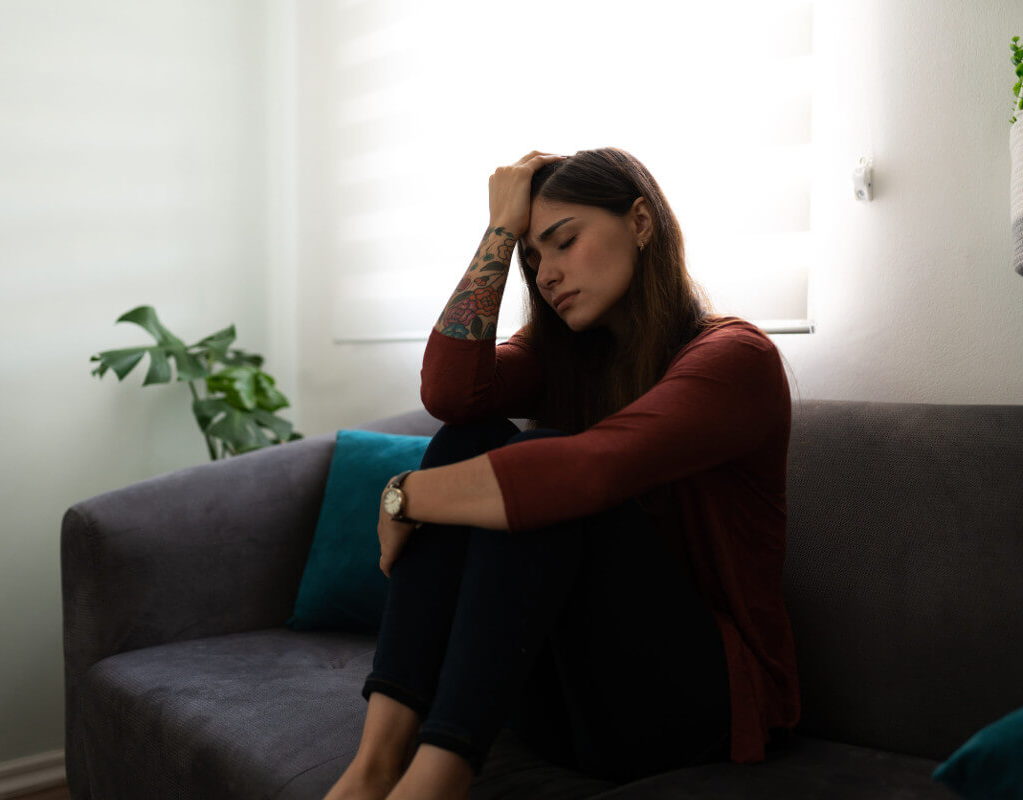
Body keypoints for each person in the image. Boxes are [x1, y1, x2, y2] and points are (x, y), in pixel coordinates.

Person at [323, 147, 801, 800]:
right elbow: (450, 392)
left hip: (694, 705)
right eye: (533, 259)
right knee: (473, 438)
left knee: (549, 473)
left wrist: (406, 493)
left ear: (640, 221)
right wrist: (498, 230)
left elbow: (592, 472)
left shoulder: (735, 360)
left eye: (564, 242)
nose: (546, 275)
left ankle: (433, 783)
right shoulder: (563, 358)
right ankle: (374, 766)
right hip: (563, 696)